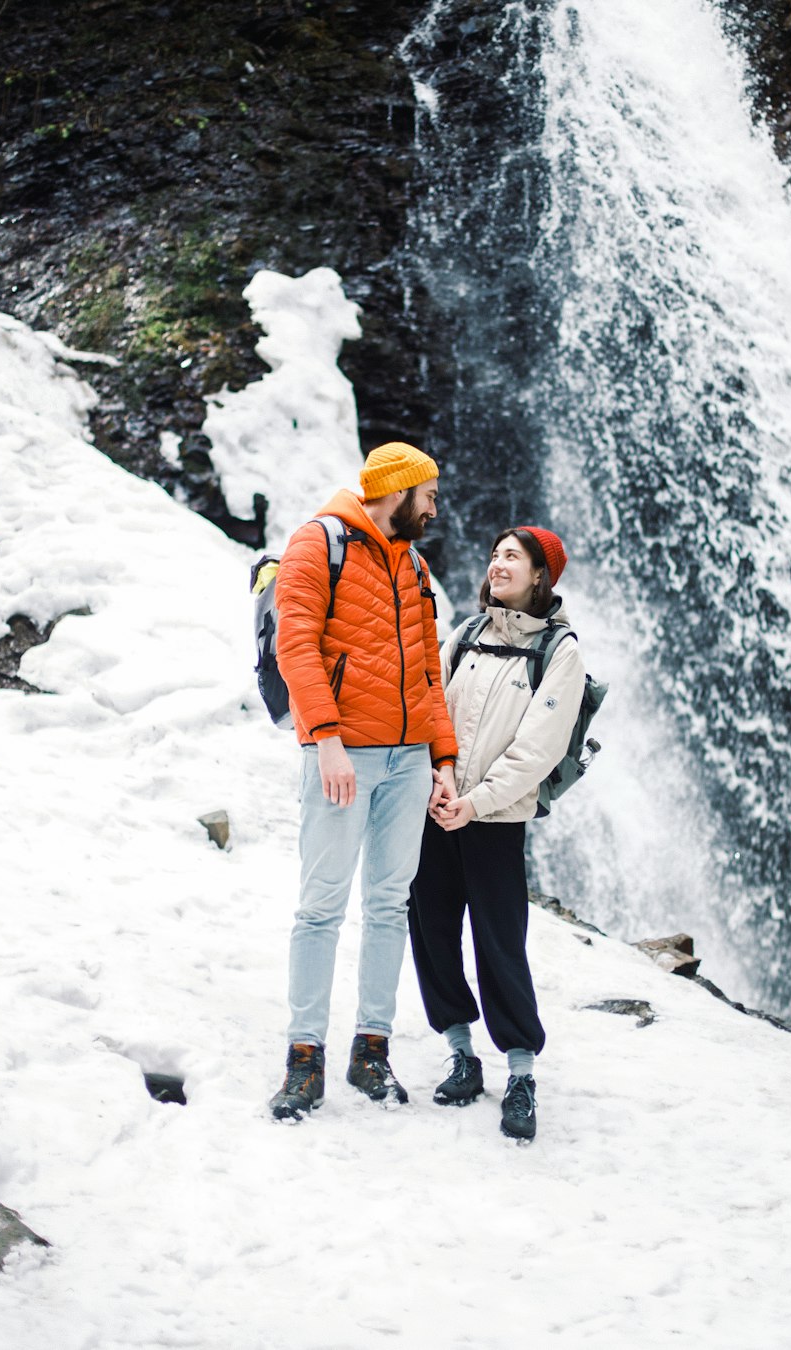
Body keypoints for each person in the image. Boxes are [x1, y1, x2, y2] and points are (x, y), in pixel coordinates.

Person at [268, 442, 458, 1121]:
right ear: (397, 490)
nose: (435, 509)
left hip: (409, 762)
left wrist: (443, 760)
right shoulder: (318, 543)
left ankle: (370, 1051)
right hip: (344, 757)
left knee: (387, 905)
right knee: (321, 906)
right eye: (428, 495)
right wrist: (327, 739)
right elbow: (297, 645)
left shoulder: (414, 564)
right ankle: (304, 1058)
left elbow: (430, 672)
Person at [408, 526, 586, 1141]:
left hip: (495, 820)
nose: (497, 563)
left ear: (540, 575)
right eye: (494, 554)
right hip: (439, 808)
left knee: (498, 943)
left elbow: (539, 749)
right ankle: (460, 1052)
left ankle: (520, 1073)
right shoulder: (467, 633)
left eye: (512, 556)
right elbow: (434, 705)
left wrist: (477, 801)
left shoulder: (559, 651)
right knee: (430, 929)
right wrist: (442, 778)